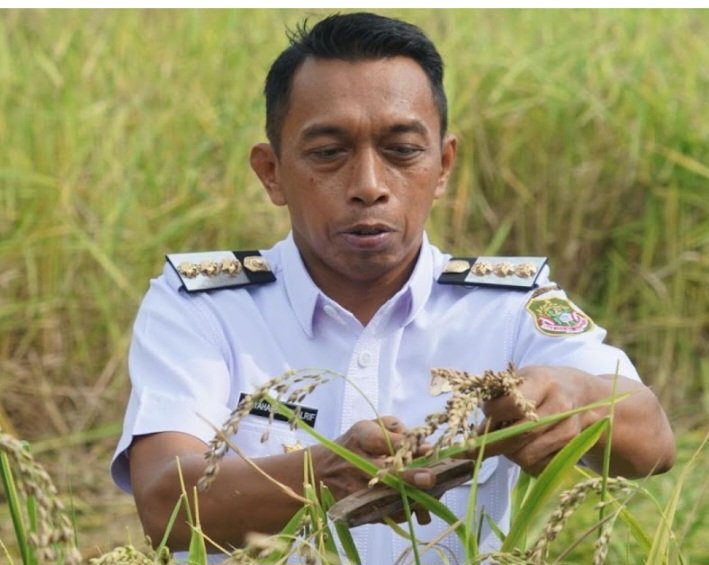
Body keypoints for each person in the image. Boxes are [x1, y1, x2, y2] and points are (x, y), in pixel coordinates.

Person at [111, 11, 675, 564]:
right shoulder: (204, 307)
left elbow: (652, 442)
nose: (369, 185)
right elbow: (163, 503)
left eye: (402, 151)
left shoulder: (506, 308)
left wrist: (575, 397)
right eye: (328, 153)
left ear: (444, 165)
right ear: (271, 172)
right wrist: (324, 474)